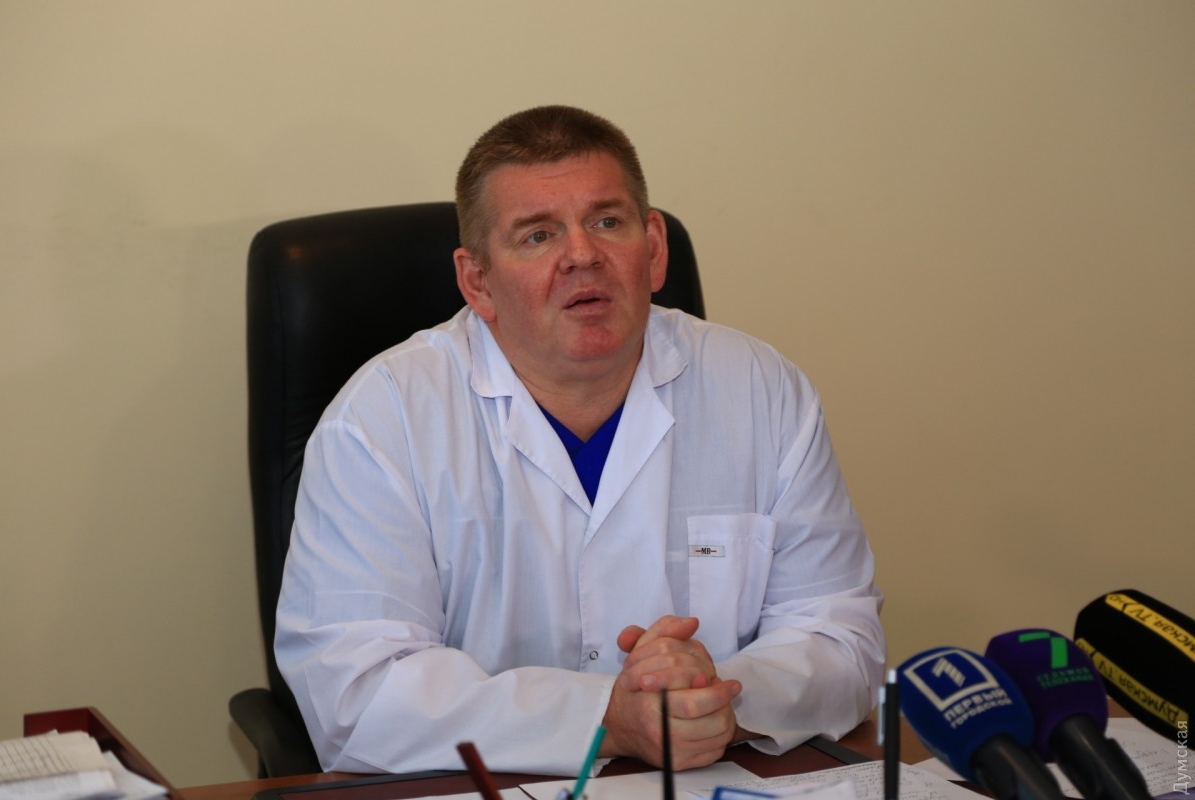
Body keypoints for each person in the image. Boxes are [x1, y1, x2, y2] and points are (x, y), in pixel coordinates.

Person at [274, 105, 885, 777]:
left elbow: (842, 636)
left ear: (653, 247)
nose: (583, 255)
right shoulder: (382, 420)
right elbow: (354, 694)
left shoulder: (762, 389)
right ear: (478, 281)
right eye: (538, 235)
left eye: (607, 222)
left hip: (713, 779)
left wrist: (720, 701)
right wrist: (607, 718)